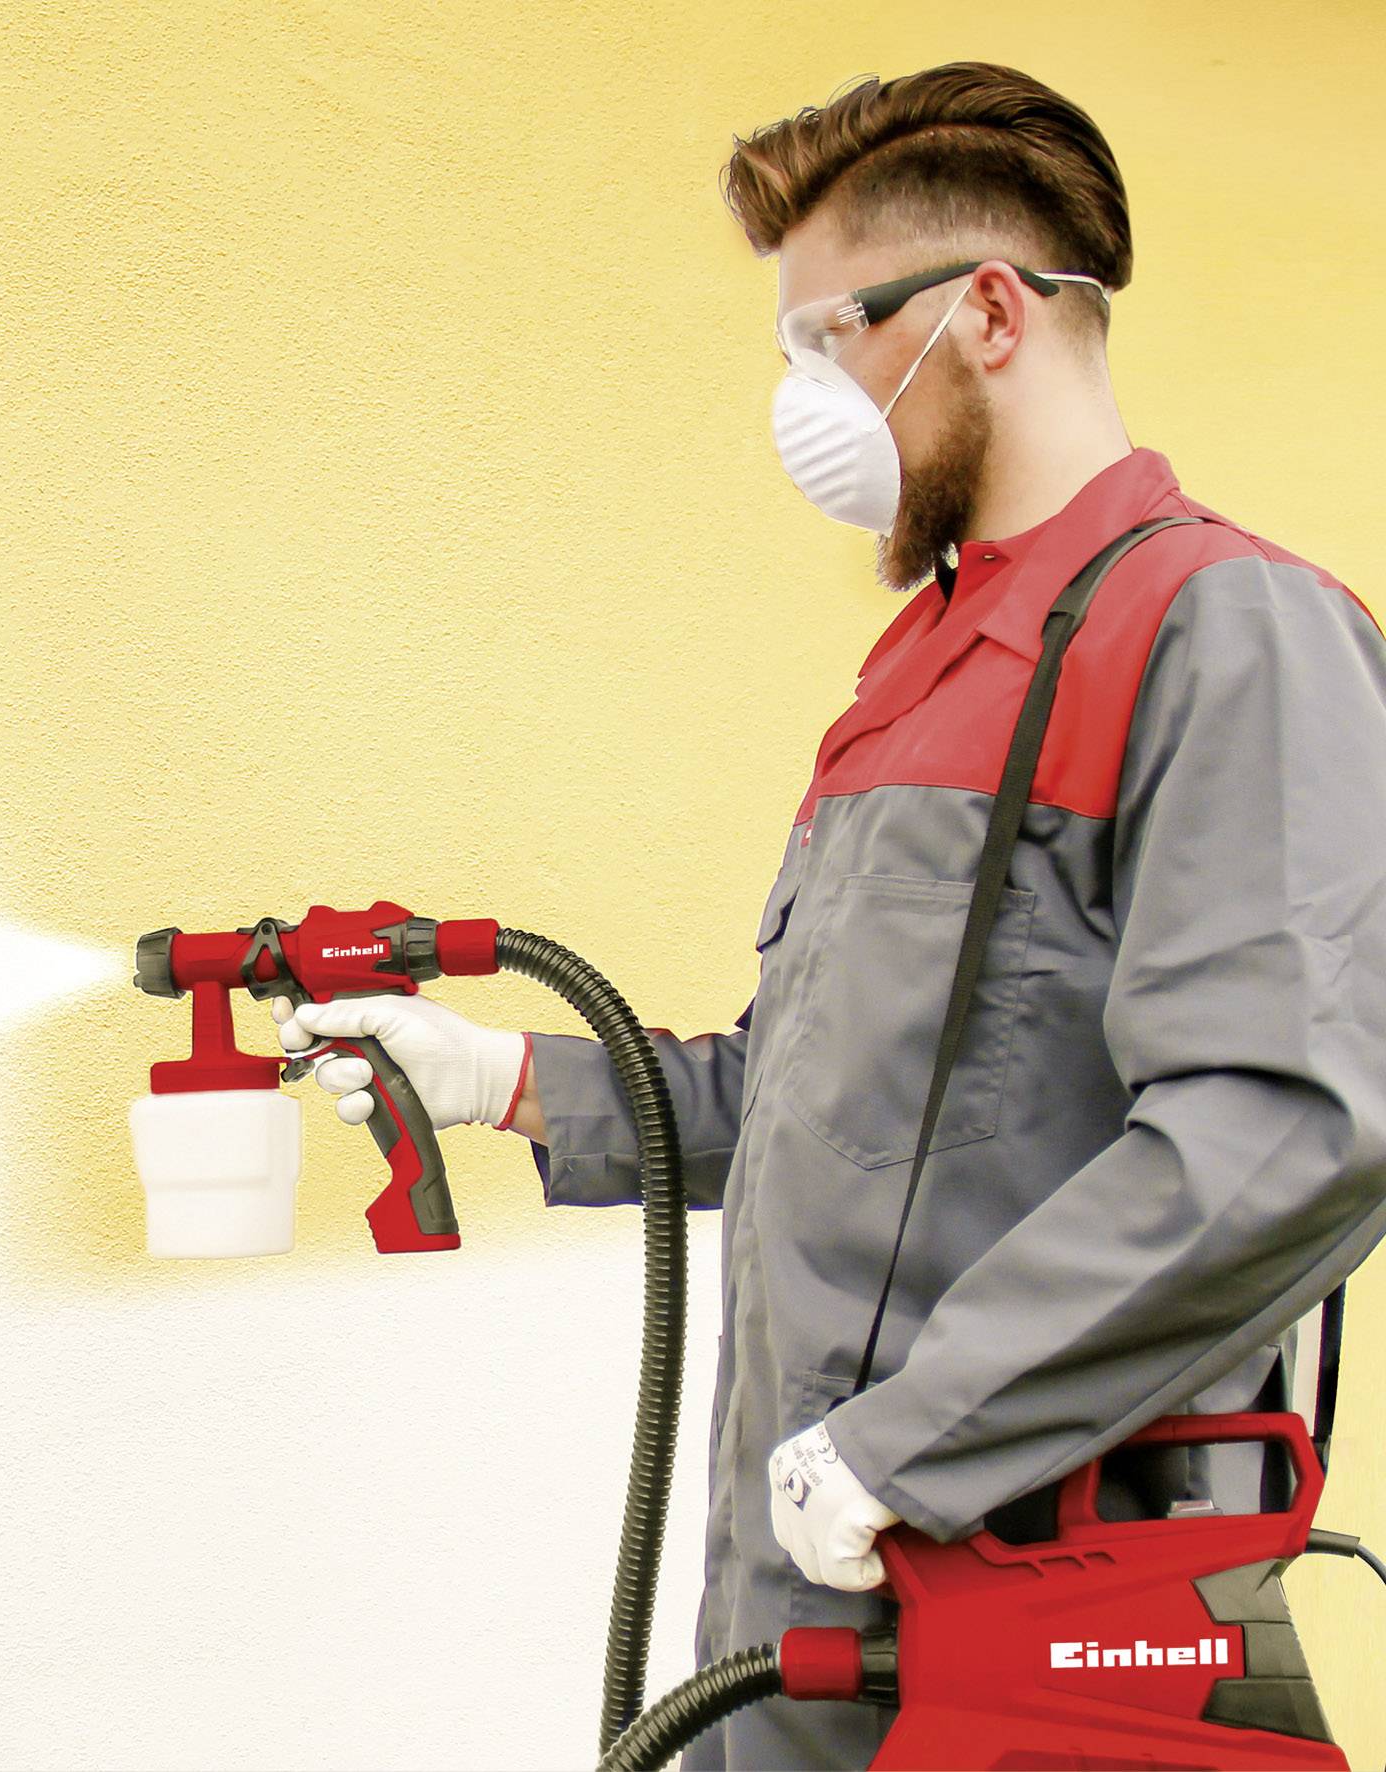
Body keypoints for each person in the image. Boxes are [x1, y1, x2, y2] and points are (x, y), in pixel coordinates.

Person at [275, 61, 1386, 1770]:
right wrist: (502, 1077)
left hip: (1019, 1611)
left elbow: (1286, 1127)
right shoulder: (922, 673)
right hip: (801, 1610)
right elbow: (839, 1116)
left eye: (827, 338)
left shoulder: (1223, 630)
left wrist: (907, 1446)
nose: (802, 395)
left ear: (992, 314)